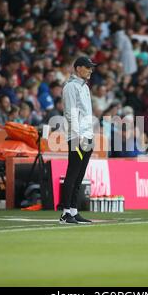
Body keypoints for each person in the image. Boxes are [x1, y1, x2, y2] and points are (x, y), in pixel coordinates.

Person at [60, 56, 96, 224]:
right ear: (78, 68)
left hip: (87, 136)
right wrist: (78, 136)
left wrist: (90, 135)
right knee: (72, 174)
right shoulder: (70, 87)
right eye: (88, 67)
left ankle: (74, 210)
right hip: (77, 137)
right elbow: (70, 113)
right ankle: (65, 212)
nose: (90, 70)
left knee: (79, 176)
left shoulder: (85, 87)